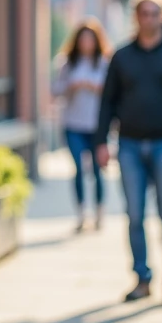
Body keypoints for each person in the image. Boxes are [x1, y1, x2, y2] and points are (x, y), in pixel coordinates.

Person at [96, 0, 162, 301]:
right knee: (135, 214)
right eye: (143, 12)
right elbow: (107, 102)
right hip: (130, 145)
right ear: (135, 16)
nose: (149, 18)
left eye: (154, 13)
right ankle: (142, 278)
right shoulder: (122, 56)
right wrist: (101, 142)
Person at [52, 19, 111, 231]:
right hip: (73, 124)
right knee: (78, 168)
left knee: (97, 171)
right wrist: (72, 86)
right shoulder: (67, 63)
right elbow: (55, 91)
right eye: (83, 39)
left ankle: (99, 213)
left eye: (90, 39)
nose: (86, 43)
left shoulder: (105, 63)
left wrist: (94, 86)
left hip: (96, 126)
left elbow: (112, 94)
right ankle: (81, 214)